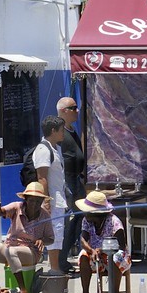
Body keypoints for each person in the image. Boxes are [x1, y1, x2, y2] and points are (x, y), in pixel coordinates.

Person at [0, 181, 53, 293]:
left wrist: (42, 240)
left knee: (11, 251)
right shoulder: (17, 207)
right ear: (25, 199)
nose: (34, 204)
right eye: (32, 200)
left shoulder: (45, 216)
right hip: (9, 248)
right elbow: (0, 212)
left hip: (30, 252)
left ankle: (23, 291)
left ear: (42, 202)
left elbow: (51, 239)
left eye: (38, 201)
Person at [76, 190, 131, 293]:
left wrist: (102, 250)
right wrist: (92, 251)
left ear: (96, 213)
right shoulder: (86, 221)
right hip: (95, 255)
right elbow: (83, 240)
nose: (84, 213)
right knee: (83, 255)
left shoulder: (114, 221)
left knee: (116, 257)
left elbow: (120, 245)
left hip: (113, 253)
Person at [32, 116, 68, 272]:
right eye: (61, 130)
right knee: (54, 233)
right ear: (53, 131)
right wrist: (46, 201)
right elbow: (42, 177)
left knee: (58, 234)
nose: (63, 133)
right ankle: (54, 269)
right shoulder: (43, 150)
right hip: (51, 200)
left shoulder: (55, 149)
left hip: (59, 198)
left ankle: (54, 267)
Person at [59, 97, 87, 274]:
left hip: (77, 179)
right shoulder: (59, 131)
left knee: (81, 216)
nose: (77, 111)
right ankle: (61, 259)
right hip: (67, 180)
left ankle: (67, 254)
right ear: (64, 111)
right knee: (69, 220)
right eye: (73, 108)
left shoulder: (72, 130)